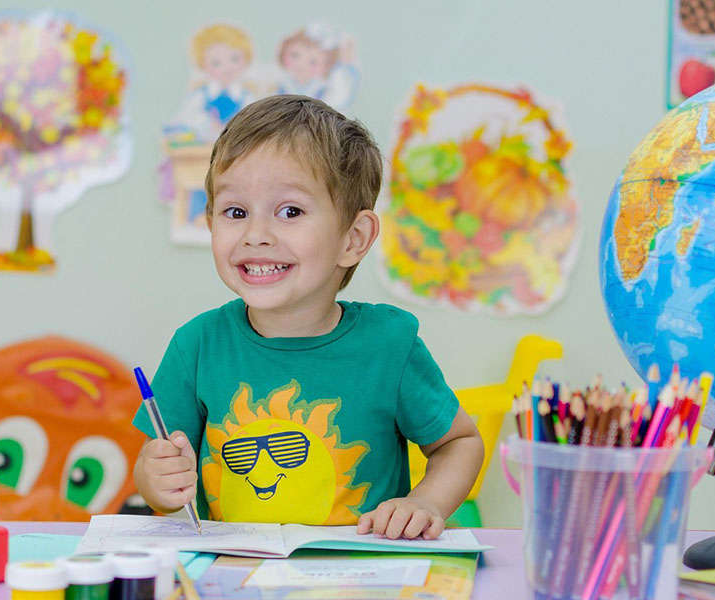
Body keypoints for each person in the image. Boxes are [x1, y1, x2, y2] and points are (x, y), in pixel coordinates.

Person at [133, 95, 483, 540]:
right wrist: (159, 483)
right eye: (235, 212)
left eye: (290, 212)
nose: (256, 235)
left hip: (357, 582)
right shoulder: (197, 346)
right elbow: (154, 472)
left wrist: (425, 501)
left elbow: (459, 442)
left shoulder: (390, 346)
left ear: (353, 238)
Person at [167, 23, 257, 144]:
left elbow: (256, 123)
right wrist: (207, 122)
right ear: (203, 66)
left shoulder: (246, 97)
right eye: (216, 63)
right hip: (203, 151)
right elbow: (182, 121)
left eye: (235, 59)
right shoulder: (201, 95)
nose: (227, 68)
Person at [275, 23, 359, 110]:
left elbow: (340, 99)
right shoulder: (284, 83)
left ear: (327, 67)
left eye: (313, 62)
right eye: (295, 55)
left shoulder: (320, 89)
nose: (301, 64)